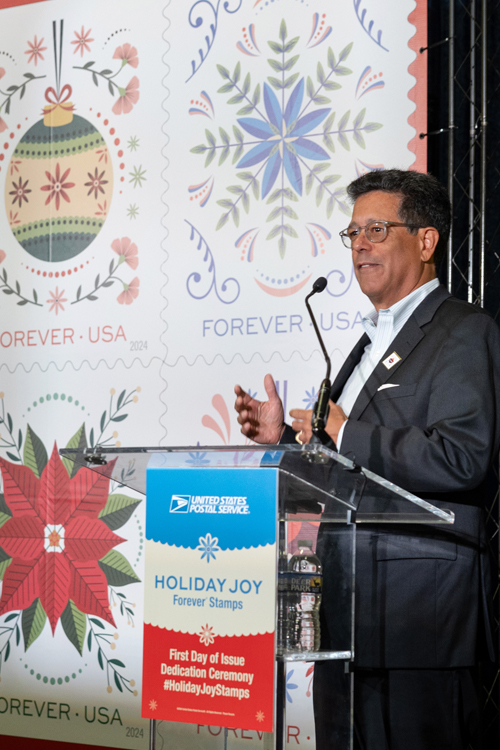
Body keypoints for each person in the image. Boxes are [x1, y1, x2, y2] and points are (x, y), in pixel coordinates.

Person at [234, 169, 500, 750]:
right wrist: (287, 442)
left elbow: (462, 457)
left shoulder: (463, 331)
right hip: (345, 618)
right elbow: (342, 468)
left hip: (419, 626)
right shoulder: (363, 345)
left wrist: (343, 430)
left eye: (376, 229)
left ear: (426, 242)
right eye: (353, 232)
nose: (360, 246)